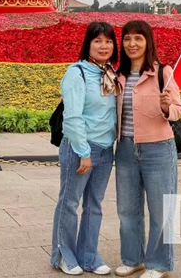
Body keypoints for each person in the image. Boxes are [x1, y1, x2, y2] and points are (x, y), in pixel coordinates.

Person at [114, 20, 181, 278]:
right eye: (128, 38)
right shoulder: (117, 74)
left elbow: (178, 110)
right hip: (124, 149)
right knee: (127, 209)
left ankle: (158, 265)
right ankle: (133, 259)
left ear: (148, 42)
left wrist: (167, 106)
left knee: (160, 210)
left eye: (138, 39)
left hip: (158, 150)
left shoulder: (163, 72)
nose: (132, 44)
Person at [52, 21, 121, 275]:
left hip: (105, 148)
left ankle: (89, 255)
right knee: (69, 202)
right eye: (98, 41)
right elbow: (72, 116)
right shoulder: (76, 73)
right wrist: (83, 152)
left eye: (108, 41)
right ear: (88, 44)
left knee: (94, 204)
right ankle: (64, 255)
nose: (104, 46)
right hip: (81, 149)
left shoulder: (111, 72)